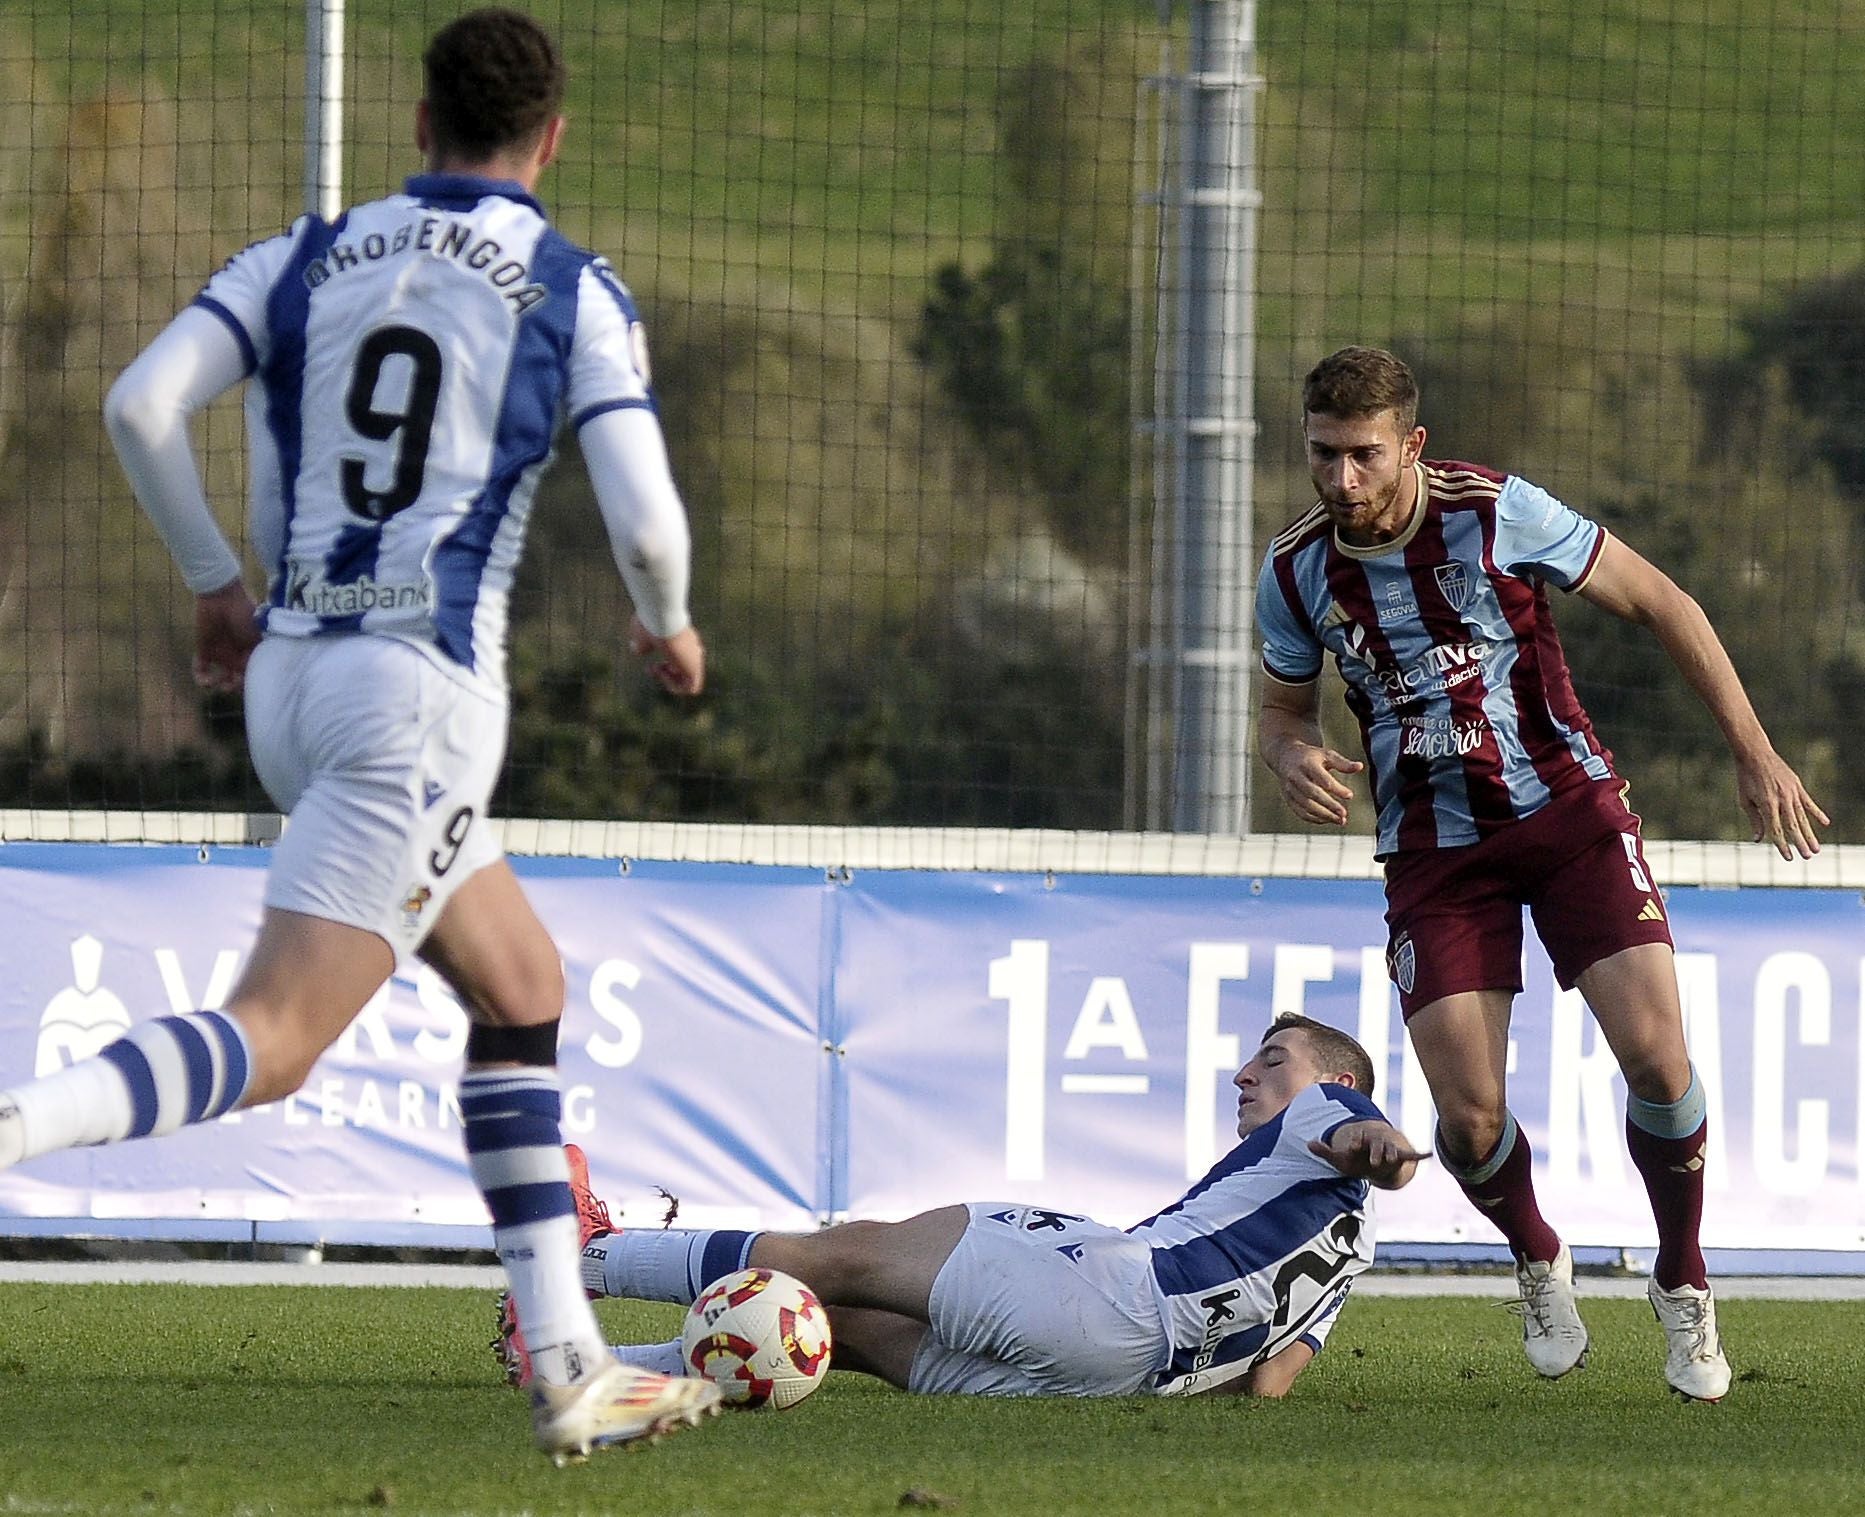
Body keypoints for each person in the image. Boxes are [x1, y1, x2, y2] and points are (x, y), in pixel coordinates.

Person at [0, 8, 719, 1461]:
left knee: (519, 988)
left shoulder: (306, 254)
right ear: (551, 138)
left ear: (418, 126)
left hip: (296, 677)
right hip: (418, 696)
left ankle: (571, 1360)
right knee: (273, 1043)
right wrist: (670, 621)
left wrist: (216, 584)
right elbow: (645, 519)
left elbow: (140, 405)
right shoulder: (567, 285)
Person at [1254, 345, 1830, 1402]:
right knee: (1467, 1122)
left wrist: (1753, 750)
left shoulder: (1493, 511)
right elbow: (1281, 713)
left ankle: (1682, 1278)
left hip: (1566, 813)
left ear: (1409, 446)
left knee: (1658, 1060)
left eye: (1363, 456)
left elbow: (1665, 601)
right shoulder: (1292, 571)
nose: (1340, 480)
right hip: (1434, 853)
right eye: (1322, 455)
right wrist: (1287, 752)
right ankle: (1534, 1253)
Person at [496, 1016, 1425, 1399]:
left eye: (1274, 1057)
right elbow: (1265, 1387)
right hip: (1113, 1382)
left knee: (851, 1254)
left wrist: (1379, 1145)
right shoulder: (1349, 1251)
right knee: (845, 1331)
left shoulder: (1334, 1111)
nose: (1245, 1071)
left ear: (1335, 1081)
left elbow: (1360, 1142)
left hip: (1116, 1290)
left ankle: (586, 1257)